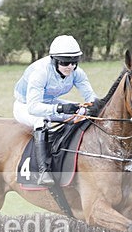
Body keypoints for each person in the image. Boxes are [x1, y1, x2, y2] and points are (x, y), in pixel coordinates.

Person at [13, 35, 98, 185]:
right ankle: (43, 171)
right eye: (66, 62)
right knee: (41, 121)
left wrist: (95, 108)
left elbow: (91, 98)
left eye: (74, 62)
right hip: (25, 106)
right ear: (54, 60)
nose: (71, 67)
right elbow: (34, 107)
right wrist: (60, 108)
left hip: (49, 103)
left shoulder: (77, 73)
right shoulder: (40, 72)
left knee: (82, 112)